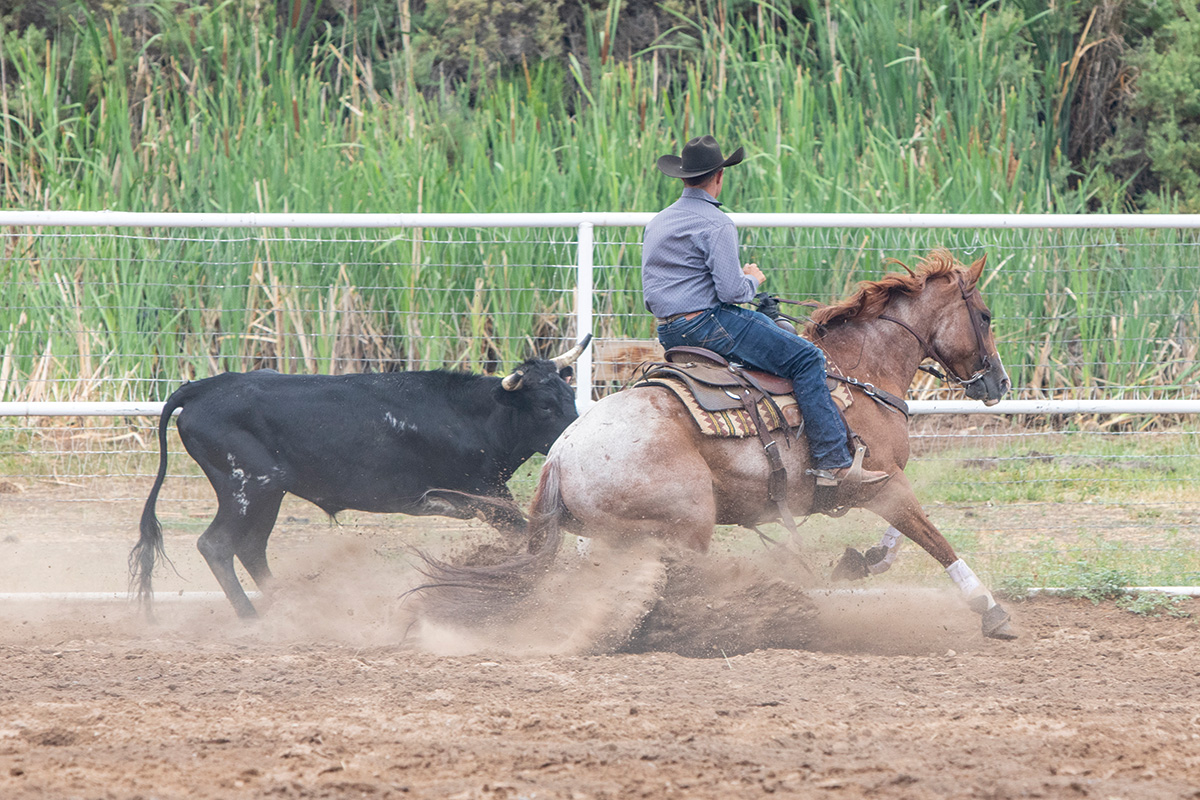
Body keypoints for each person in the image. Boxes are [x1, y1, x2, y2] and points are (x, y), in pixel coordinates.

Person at [641, 134, 889, 493]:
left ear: (682, 178)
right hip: (708, 325)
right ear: (719, 176)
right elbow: (730, 292)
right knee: (805, 357)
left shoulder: (659, 221)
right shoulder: (717, 223)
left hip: (669, 332)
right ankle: (833, 461)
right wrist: (751, 280)